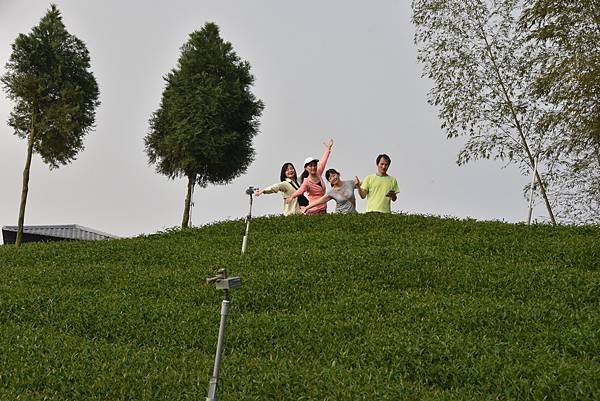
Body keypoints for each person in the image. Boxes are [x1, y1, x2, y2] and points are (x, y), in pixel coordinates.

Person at [286, 139, 334, 215]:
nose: (313, 167)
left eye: (315, 165)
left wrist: (328, 148)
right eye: (310, 166)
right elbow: (301, 190)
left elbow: (323, 161)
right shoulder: (307, 181)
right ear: (306, 168)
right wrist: (292, 196)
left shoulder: (318, 172)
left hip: (323, 208)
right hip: (313, 210)